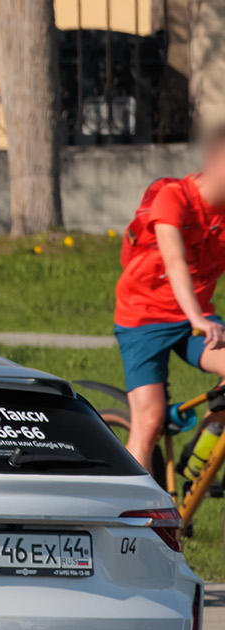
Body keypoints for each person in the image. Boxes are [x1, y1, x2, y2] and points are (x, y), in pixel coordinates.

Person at [114, 130, 225, 466]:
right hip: (143, 318)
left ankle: (198, 459)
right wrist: (196, 318)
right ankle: (144, 515)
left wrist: (197, 318)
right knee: (148, 423)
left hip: (196, 318)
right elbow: (175, 263)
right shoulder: (174, 198)